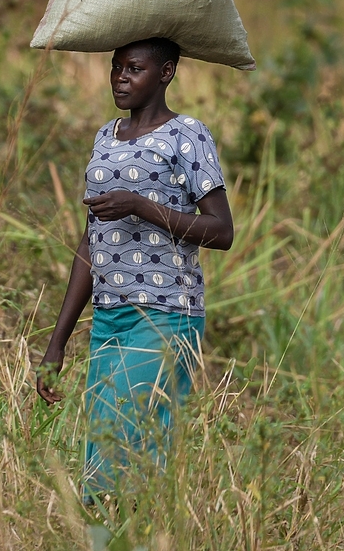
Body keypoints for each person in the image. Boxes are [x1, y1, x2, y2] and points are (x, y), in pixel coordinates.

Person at [35, 38, 234, 500]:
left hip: (164, 314)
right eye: (116, 67)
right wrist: (57, 343)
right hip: (109, 316)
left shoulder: (189, 134)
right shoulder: (106, 137)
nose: (121, 78)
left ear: (165, 73)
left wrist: (141, 206)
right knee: (102, 447)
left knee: (125, 442)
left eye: (135, 69)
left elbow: (221, 231)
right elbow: (91, 242)